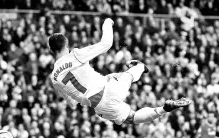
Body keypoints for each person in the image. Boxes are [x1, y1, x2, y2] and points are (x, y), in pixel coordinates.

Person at [48, 18, 192, 125]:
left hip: (99, 105)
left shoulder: (54, 77)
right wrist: (107, 23)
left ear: (51, 50)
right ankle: (139, 67)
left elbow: (72, 103)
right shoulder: (75, 55)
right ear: (66, 43)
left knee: (132, 118)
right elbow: (107, 44)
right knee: (131, 73)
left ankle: (164, 109)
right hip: (108, 89)